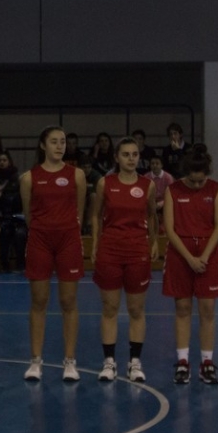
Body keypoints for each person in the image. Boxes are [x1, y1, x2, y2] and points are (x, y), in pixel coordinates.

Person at [19, 126, 87, 382]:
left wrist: (67, 228)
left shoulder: (77, 175)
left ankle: (70, 361)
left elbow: (79, 211)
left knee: (68, 301)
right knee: (39, 301)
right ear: (43, 145)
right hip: (40, 241)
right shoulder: (29, 178)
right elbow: (29, 214)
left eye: (63, 142)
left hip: (68, 240)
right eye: (54, 142)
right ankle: (36, 361)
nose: (60, 146)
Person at [91, 137, 157, 382]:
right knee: (109, 308)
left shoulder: (148, 185)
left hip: (137, 251)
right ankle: (109, 362)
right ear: (116, 158)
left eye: (135, 154)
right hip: (110, 250)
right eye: (126, 154)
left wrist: (154, 242)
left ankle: (135, 362)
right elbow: (95, 215)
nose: (131, 159)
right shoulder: (105, 183)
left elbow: (152, 215)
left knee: (136, 309)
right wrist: (96, 242)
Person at [163, 144, 218, 384]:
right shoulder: (173, 190)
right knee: (183, 308)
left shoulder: (216, 189)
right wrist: (189, 258)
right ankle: (182, 361)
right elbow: (170, 229)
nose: (198, 185)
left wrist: (205, 257)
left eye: (202, 181)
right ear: (185, 174)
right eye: (193, 181)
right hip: (181, 254)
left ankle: (207, 362)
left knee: (207, 309)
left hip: (207, 253)